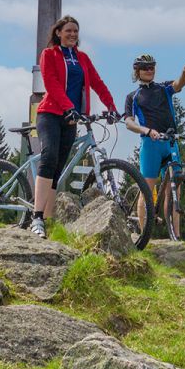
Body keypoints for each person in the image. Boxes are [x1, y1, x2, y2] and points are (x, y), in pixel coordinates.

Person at [30, 15, 119, 238]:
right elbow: (51, 82)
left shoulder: (82, 58)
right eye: (68, 30)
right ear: (58, 32)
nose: (72, 34)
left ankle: (47, 222)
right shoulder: (49, 54)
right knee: (49, 157)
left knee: (59, 168)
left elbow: (98, 83)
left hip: (71, 118)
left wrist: (111, 106)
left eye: (76, 31)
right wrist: (68, 105)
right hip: (50, 113)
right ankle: (37, 217)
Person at [123, 54, 185, 229]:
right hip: (151, 144)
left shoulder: (163, 88)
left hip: (170, 142)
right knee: (147, 190)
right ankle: (143, 234)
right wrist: (145, 130)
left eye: (152, 67)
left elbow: (179, 84)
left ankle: (176, 236)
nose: (149, 70)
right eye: (145, 67)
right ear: (137, 71)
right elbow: (128, 122)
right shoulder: (133, 96)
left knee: (174, 190)